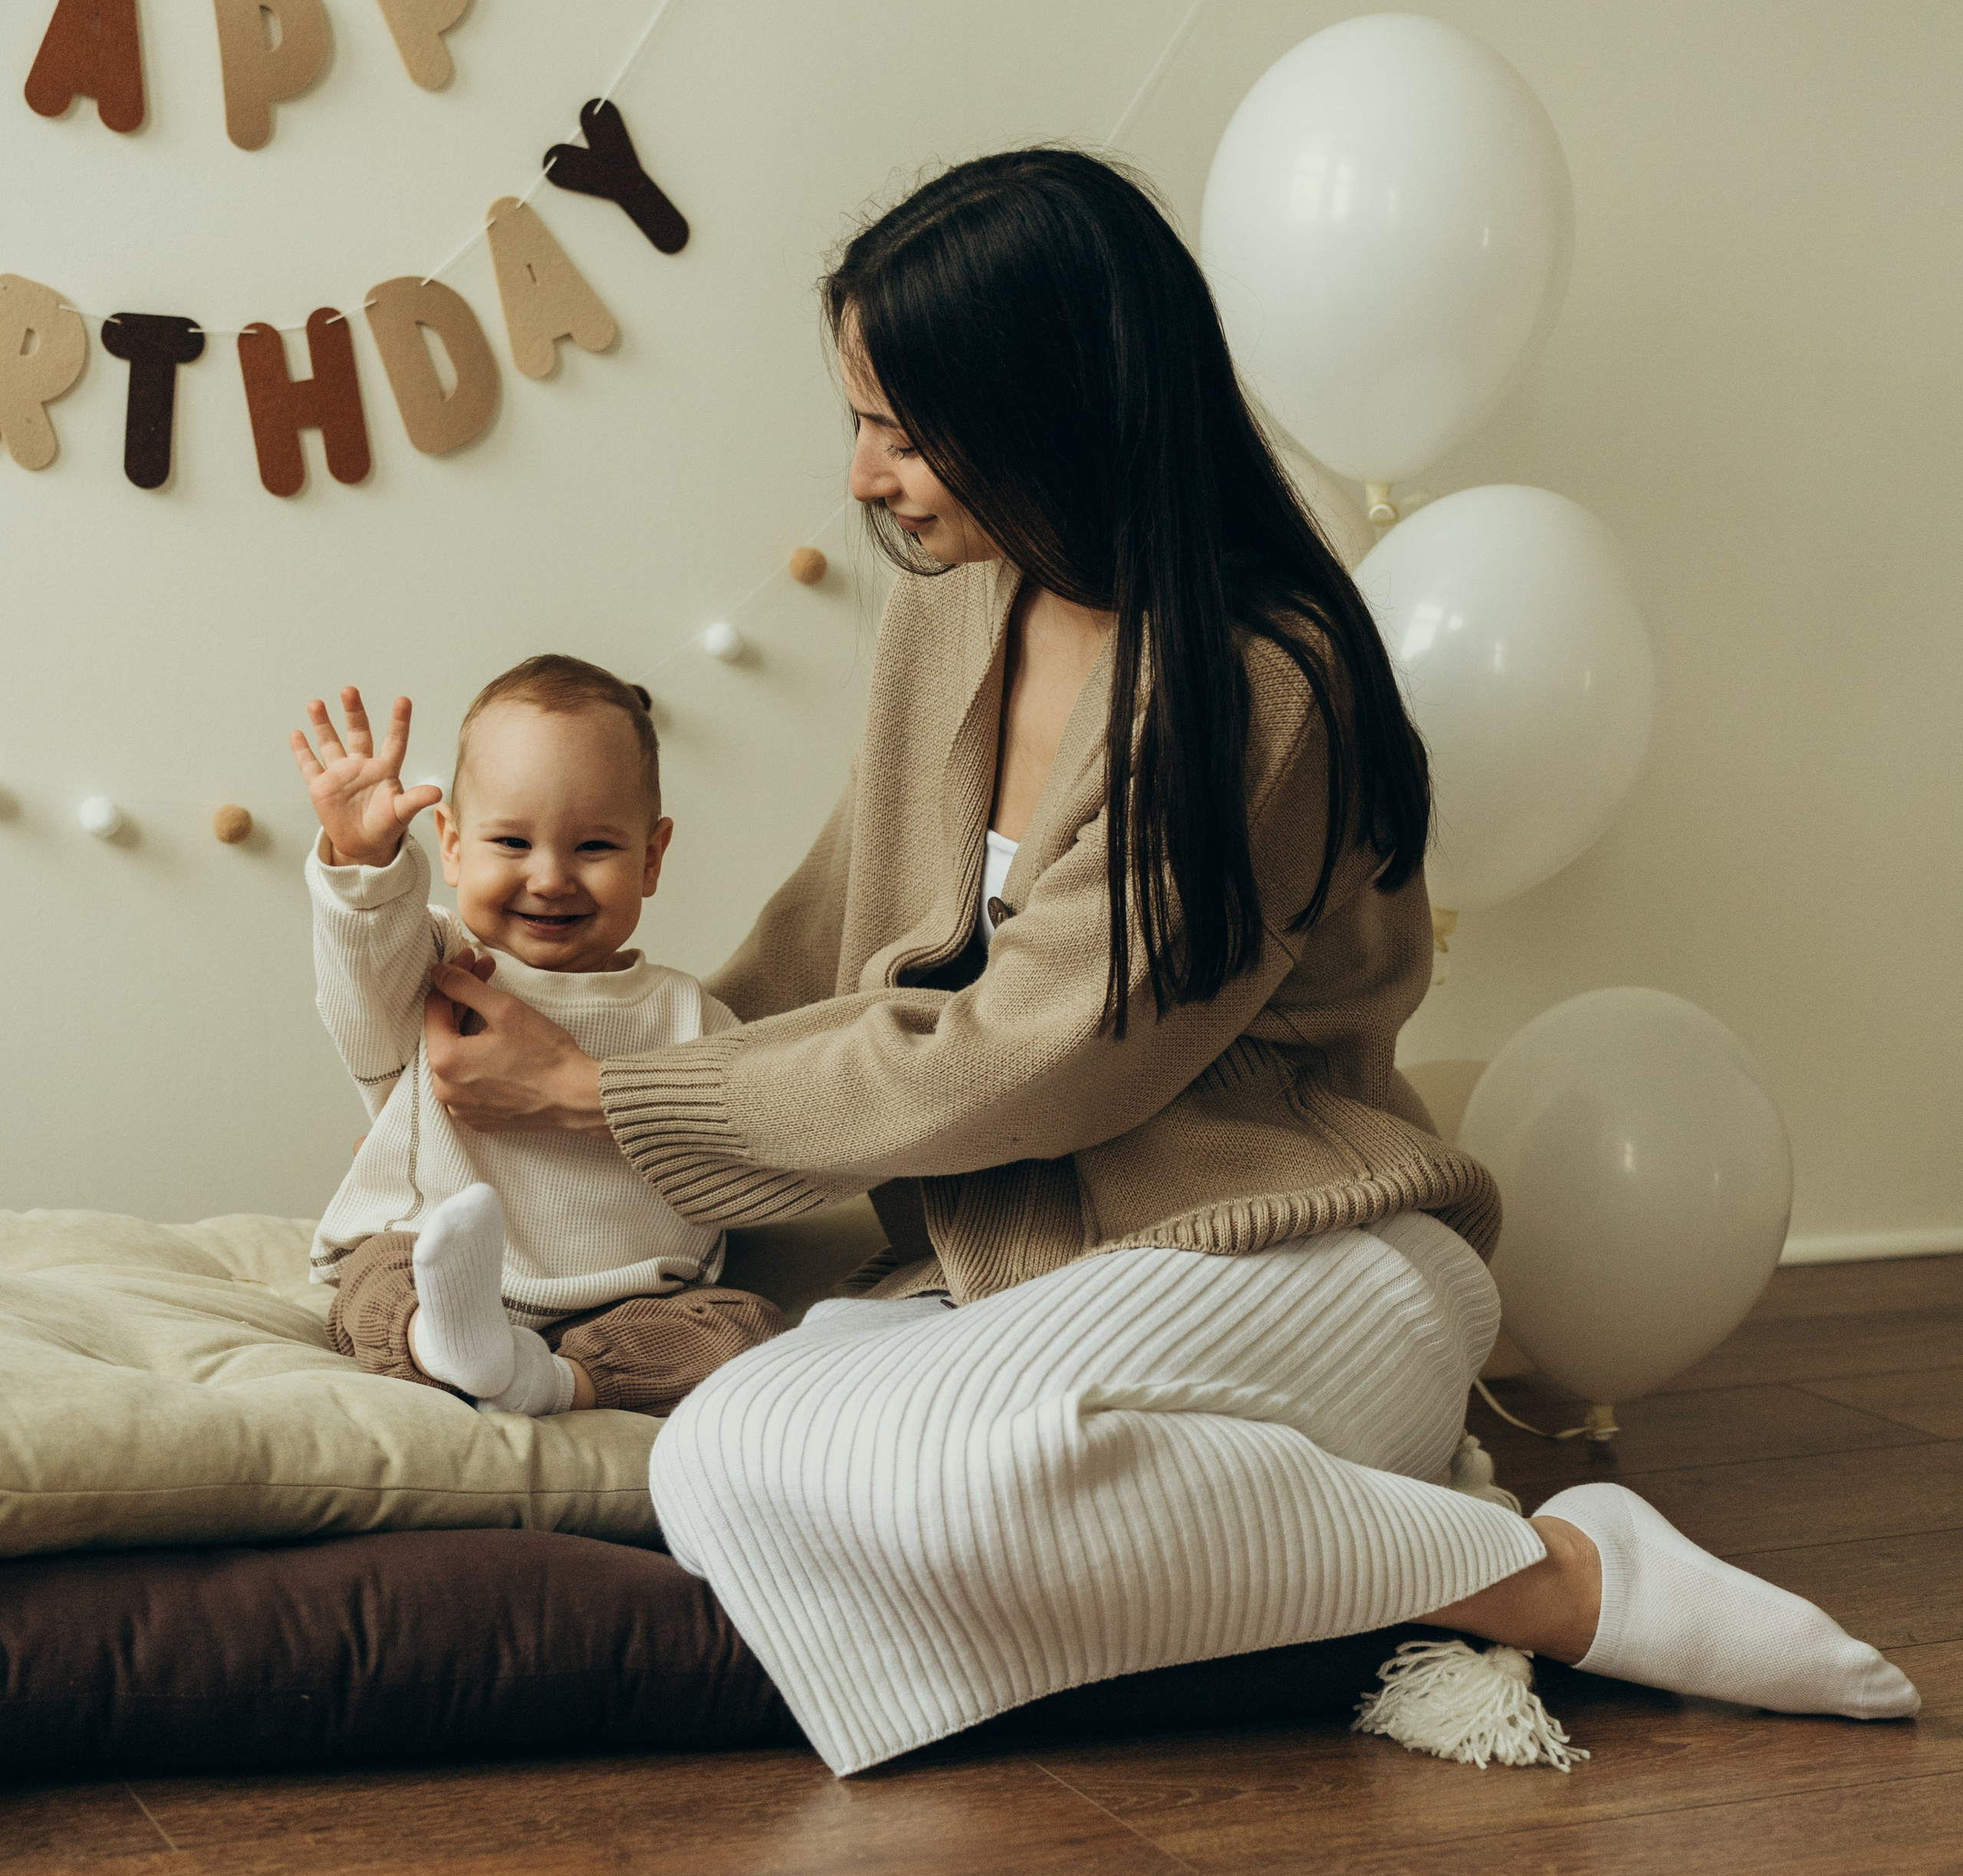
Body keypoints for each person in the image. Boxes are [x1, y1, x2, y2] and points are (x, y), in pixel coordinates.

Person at [413, 150, 1918, 1771]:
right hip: (1027, 1277)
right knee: (715, 1456)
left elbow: (1037, 1054)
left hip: (1296, 1262)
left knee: (938, 1482)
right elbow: (831, 935)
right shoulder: (953, 609)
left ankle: (1554, 1579)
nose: (861, 476)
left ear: (1050, 415)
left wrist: (617, 1096)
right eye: (859, 418)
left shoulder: (1258, 687)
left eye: (904, 431)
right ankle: (1356, 1554)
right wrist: (580, 1052)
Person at [291, 655, 785, 1418]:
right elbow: (362, 961)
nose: (551, 877)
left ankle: (550, 1380)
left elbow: (732, 1148)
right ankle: (437, 1342)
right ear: (451, 846)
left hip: (621, 1299)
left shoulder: (691, 1015)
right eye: (512, 844)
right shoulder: (437, 969)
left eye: (594, 847)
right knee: (375, 1271)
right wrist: (365, 861)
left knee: (744, 1325)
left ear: (651, 857)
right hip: (438, 1269)